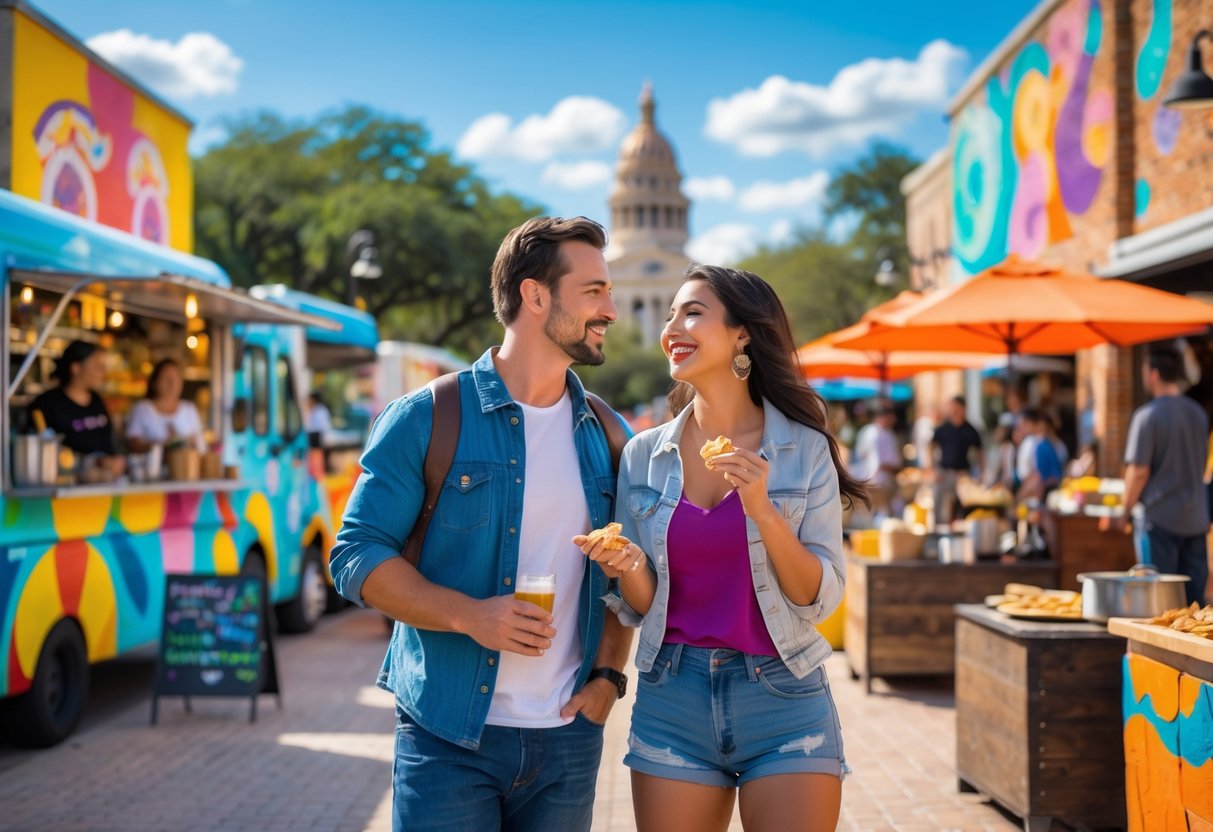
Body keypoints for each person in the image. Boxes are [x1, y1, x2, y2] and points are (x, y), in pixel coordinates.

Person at [329, 216, 634, 832]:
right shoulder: (425, 416)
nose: (612, 310)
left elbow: (624, 577)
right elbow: (354, 556)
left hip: (567, 740)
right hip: (446, 735)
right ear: (535, 295)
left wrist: (607, 678)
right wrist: (470, 616)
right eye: (594, 291)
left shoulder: (609, 434)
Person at [579, 265, 866, 832]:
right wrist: (630, 567)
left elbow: (818, 599)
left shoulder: (804, 450)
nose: (672, 328)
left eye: (693, 313)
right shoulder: (642, 455)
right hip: (673, 698)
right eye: (670, 315)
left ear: (742, 335)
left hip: (783, 697)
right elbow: (642, 605)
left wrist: (762, 508)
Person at [1118, 346, 1209, 606]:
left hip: (1159, 521)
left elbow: (1138, 472)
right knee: (1194, 609)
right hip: (1195, 519)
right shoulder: (1199, 414)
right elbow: (1201, 466)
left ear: (1154, 374)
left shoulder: (1146, 416)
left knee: (1158, 605)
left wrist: (1124, 510)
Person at [28, 339, 125, 478]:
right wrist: (94, 462)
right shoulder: (47, 404)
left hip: (102, 483)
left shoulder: (97, 400)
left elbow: (108, 444)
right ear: (76, 368)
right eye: (97, 366)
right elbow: (47, 451)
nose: (103, 372)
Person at [126, 359, 207, 453]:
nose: (172, 383)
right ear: (154, 382)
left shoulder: (189, 409)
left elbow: (200, 445)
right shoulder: (142, 409)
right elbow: (133, 444)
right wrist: (161, 446)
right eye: (166, 378)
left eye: (176, 378)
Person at [929, 396, 982, 525]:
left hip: (962, 473)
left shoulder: (970, 430)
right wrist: (932, 468)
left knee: (962, 505)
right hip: (944, 472)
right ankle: (939, 530)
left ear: (963, 409)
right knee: (940, 503)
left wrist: (980, 473)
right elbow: (931, 446)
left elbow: (980, 453)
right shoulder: (944, 428)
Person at [852, 400, 902, 520]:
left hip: (883, 481)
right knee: (876, 515)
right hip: (876, 481)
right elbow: (875, 462)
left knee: (882, 515)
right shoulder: (872, 433)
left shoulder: (888, 433)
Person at [1016, 408, 1063, 502]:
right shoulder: (1034, 441)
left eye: (1023, 424)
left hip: (1039, 491)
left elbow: (1040, 475)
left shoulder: (1041, 444)